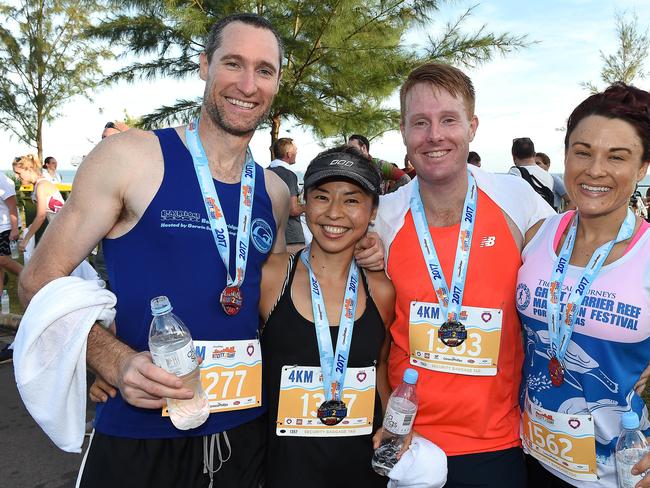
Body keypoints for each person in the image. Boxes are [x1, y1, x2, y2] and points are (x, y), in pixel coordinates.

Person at [18, 13, 290, 488]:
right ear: (204, 66)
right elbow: (37, 281)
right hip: (140, 432)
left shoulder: (274, 192)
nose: (248, 84)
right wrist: (111, 359)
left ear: (277, 82)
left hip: (243, 435)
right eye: (233, 64)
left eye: (264, 70)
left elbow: (275, 304)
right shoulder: (131, 157)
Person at [372, 62, 555, 487]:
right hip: (409, 442)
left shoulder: (517, 200)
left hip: (497, 442)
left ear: (472, 127)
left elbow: (579, 268)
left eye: (448, 120)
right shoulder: (386, 219)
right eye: (420, 122)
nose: (434, 135)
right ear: (403, 131)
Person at [518, 83, 650, 488]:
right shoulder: (536, 235)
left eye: (617, 157)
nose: (595, 170)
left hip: (617, 473)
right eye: (583, 151)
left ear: (643, 167)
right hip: (533, 455)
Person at [260, 146, 394, 487]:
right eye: (322, 197)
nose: (335, 213)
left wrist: (392, 429)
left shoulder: (381, 289)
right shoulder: (272, 277)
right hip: (284, 470)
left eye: (351, 200)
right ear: (303, 204)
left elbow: (380, 371)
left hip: (360, 469)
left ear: (372, 210)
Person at [13, 155, 65, 253]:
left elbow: (41, 216)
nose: (17, 176)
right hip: (58, 229)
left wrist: (26, 239)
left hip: (64, 230)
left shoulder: (41, 186)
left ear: (29, 170)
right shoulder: (38, 185)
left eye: (18, 173)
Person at [268, 137, 305, 253]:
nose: (297, 154)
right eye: (296, 151)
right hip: (291, 236)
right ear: (289, 154)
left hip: (269, 234)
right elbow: (293, 210)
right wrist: (308, 206)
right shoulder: (289, 175)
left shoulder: (264, 173)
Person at [509, 137, 555, 208]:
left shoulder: (515, 172)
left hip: (526, 217)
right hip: (546, 217)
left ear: (514, 156)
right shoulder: (548, 176)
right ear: (534, 154)